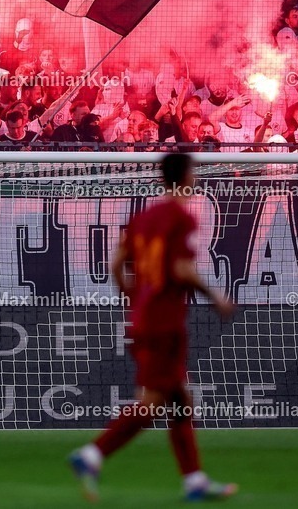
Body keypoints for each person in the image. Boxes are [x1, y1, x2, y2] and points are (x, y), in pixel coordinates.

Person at [69, 152, 237, 502]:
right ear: (186, 176)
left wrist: (133, 298)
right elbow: (181, 269)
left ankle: (194, 481)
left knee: (179, 400)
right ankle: (93, 454)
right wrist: (216, 297)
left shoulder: (143, 218)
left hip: (143, 317)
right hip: (164, 321)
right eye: (194, 172)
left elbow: (116, 263)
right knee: (152, 403)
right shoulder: (181, 218)